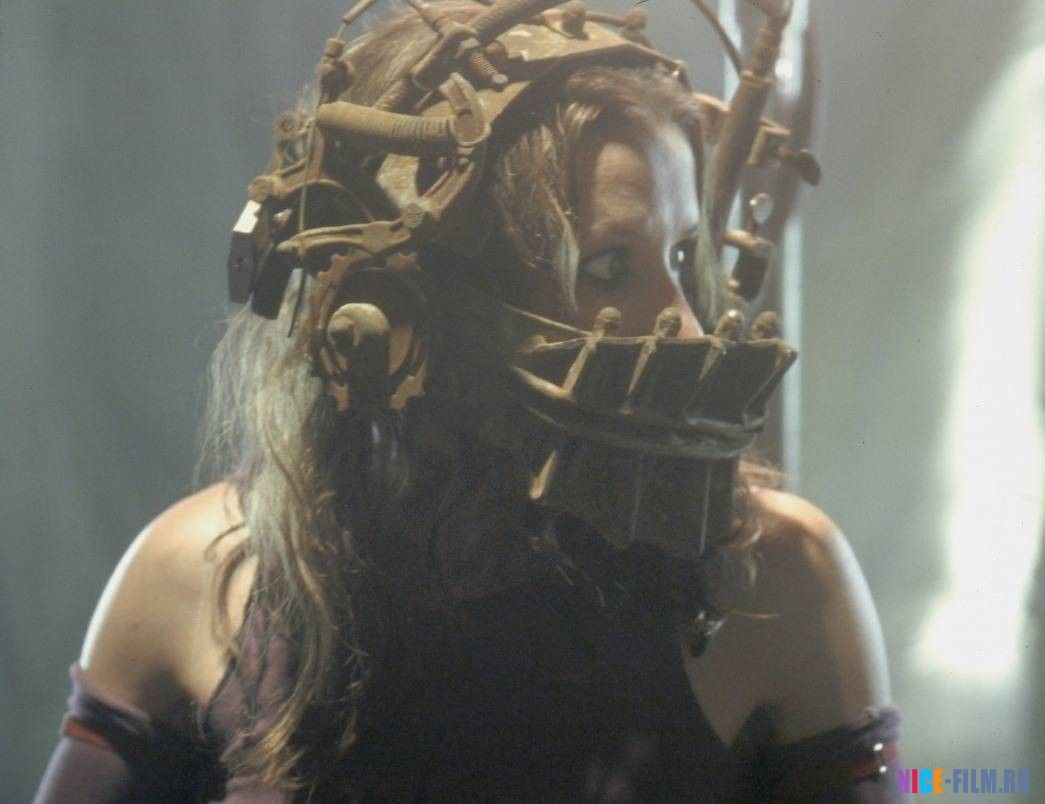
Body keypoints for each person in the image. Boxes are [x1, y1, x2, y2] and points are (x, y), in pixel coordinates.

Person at [35, 1, 902, 801]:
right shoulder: (199, 578)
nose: (684, 326)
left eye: (679, 257)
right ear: (405, 309)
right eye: (606, 267)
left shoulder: (772, 580)